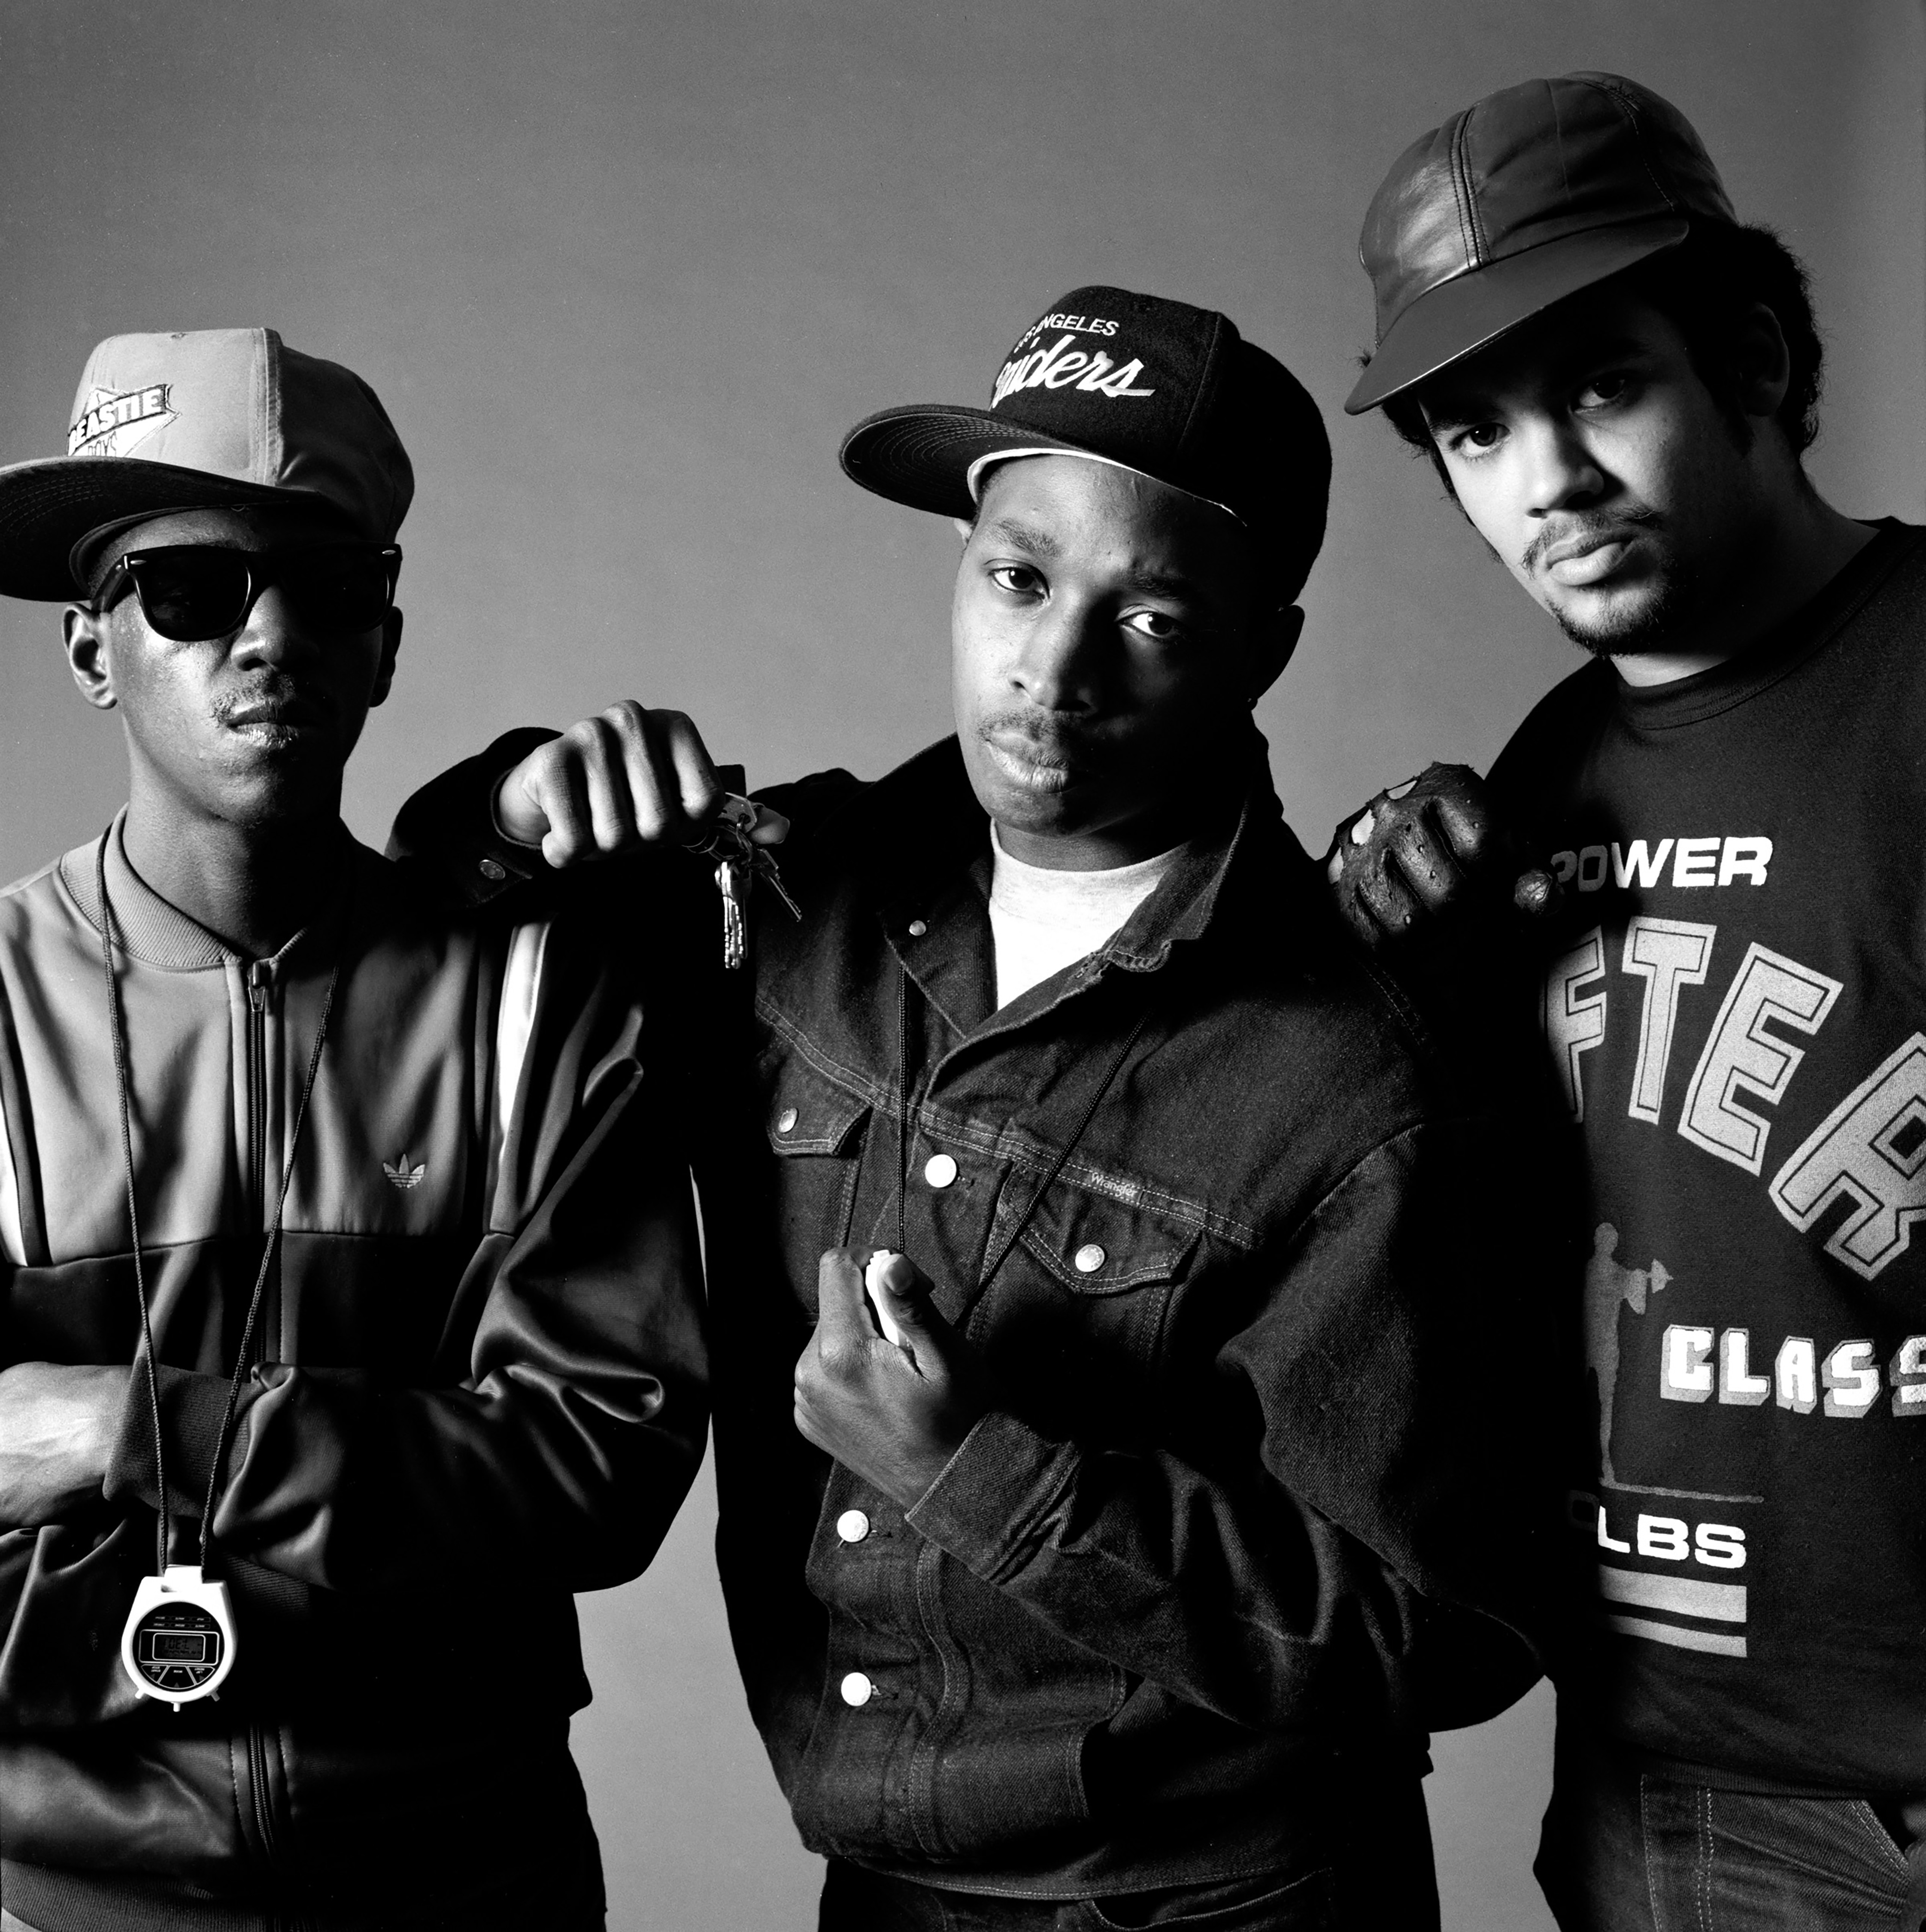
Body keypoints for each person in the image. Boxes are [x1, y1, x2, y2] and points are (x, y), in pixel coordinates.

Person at [392, 284, 1553, 1929]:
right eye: (1019, 578)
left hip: (1225, 1898)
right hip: (880, 1883)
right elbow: (423, 968)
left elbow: (1443, 1630)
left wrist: (986, 1476)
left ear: (1266, 649)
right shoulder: (785, 905)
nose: (1053, 667)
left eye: (1153, 619)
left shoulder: (1359, 1067)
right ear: (963, 561)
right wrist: (509, 808)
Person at [0, 328, 710, 1932]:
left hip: (479, 1889)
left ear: (385, 641)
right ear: (91, 648)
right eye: (193, 587)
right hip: (71, 1903)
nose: (270, 635)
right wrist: (403, 1543)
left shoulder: (537, 1000)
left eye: (326, 587)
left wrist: (131, 1430)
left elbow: (598, 1469)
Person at [1332, 70, 1926, 1929]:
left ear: (1752, 360)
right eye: (1477, 431)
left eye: (1599, 387)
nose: (1547, 483)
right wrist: (1395, 968)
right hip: (1673, 1781)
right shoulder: (1539, 782)